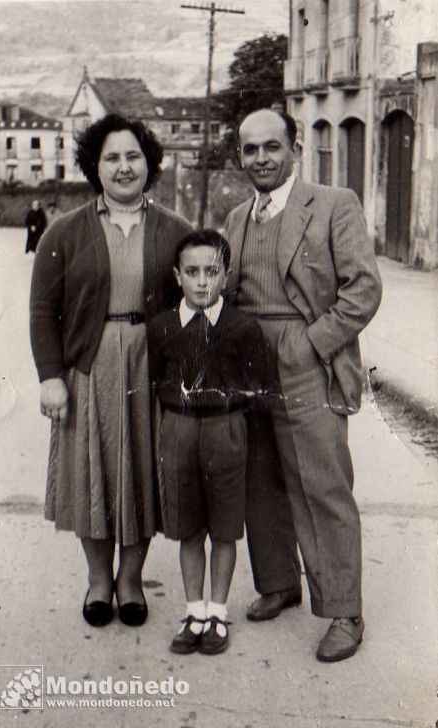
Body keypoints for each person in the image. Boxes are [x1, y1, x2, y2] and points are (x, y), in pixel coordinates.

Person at [224, 108, 382, 662]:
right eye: (250, 150)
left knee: (321, 485)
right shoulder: (237, 217)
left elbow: (363, 290)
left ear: (294, 147)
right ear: (239, 155)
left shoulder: (334, 204)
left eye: (272, 147)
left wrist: (309, 343)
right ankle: (279, 584)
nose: (261, 158)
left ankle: (344, 610)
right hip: (250, 366)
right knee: (260, 480)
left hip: (308, 363)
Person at [30, 114, 192, 628]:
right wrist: (51, 375)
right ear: (94, 167)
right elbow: (42, 310)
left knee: (144, 472)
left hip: (150, 367)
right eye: (112, 158)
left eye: (133, 157)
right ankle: (99, 580)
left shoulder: (176, 231)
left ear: (149, 163)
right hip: (90, 366)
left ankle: (131, 580)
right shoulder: (65, 232)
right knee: (92, 474)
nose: (124, 168)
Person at [147, 230, 269, 655]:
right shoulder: (162, 327)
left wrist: (238, 431)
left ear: (226, 276)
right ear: (177, 275)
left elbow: (260, 388)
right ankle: (194, 611)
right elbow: (154, 381)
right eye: (193, 272)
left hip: (225, 431)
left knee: (223, 529)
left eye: (212, 272)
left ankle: (217, 612)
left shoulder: (242, 327)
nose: (202, 282)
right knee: (188, 529)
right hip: (179, 431)